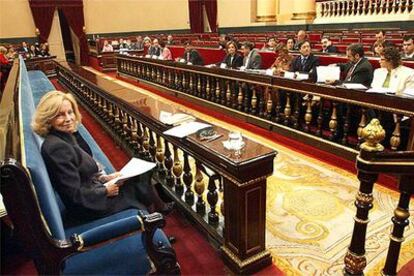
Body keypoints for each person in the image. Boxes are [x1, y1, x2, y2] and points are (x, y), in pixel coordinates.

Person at [32, 91, 174, 221]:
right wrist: (105, 190)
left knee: (140, 175)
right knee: (136, 184)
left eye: (70, 112)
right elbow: (74, 196)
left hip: (93, 191)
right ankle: (155, 222)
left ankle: (158, 213)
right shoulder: (57, 148)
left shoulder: (63, 137)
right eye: (60, 115)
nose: (68, 118)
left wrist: (105, 178)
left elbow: (80, 173)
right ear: (48, 118)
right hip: (90, 207)